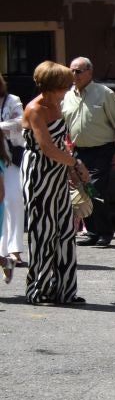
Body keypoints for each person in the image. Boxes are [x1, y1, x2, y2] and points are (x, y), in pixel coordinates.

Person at [21, 61, 86, 305]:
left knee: (65, 231)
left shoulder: (56, 105)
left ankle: (65, 290)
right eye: (64, 85)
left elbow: (58, 145)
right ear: (52, 86)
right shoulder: (34, 109)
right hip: (39, 173)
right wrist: (76, 164)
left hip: (57, 173)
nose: (68, 89)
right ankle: (38, 290)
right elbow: (46, 148)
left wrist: (69, 169)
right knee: (43, 231)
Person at [62, 56, 115, 247]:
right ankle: (91, 231)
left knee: (96, 190)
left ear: (90, 72)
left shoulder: (105, 93)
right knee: (83, 192)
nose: (74, 75)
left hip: (102, 151)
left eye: (78, 71)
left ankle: (105, 232)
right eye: (71, 71)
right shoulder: (67, 96)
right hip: (78, 152)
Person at [0, 74, 27, 281]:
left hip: (9, 157)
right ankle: (4, 256)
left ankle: (14, 250)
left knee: (13, 202)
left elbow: (21, 121)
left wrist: (1, 126)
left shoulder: (12, 100)